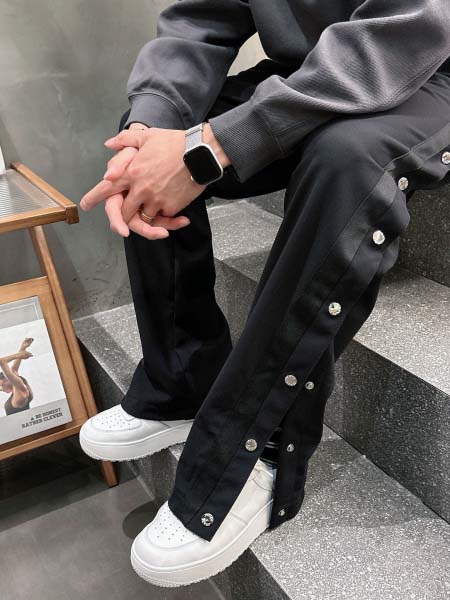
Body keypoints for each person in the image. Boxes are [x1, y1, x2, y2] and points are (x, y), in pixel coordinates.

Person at [79, 0, 450, 587]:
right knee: (155, 132)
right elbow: (201, 22)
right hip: (316, 70)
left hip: (426, 65)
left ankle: (250, 453)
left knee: (345, 159)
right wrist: (148, 127)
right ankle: (181, 381)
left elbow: (408, 28)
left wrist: (207, 151)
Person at [0, 338, 34, 416]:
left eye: (1, 385)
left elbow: (2, 361)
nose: (1, 389)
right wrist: (23, 348)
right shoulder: (19, 387)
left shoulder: (20, 393)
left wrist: (17, 355)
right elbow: (14, 369)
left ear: (8, 379)